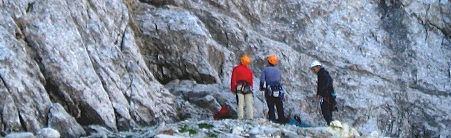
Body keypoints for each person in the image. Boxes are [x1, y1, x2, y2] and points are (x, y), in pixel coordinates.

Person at [259, 55, 287, 123]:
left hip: (270, 88)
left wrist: (262, 87)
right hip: (278, 88)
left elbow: (262, 80)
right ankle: (281, 118)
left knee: (270, 104)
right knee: (279, 104)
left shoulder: (265, 69)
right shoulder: (278, 70)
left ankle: (272, 118)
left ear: (268, 61)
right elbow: (280, 79)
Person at [311, 60, 337, 126]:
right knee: (328, 112)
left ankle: (331, 125)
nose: (313, 71)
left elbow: (321, 85)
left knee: (326, 111)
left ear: (317, 67)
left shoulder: (321, 74)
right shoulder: (325, 73)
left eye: (314, 69)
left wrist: (319, 94)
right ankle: (331, 124)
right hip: (330, 95)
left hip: (326, 96)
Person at [230, 55, 254, 119]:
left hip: (240, 86)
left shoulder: (236, 68)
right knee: (249, 103)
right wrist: (251, 87)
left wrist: (233, 88)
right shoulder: (249, 70)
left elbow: (233, 79)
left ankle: (240, 117)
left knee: (240, 103)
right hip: (248, 87)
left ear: (241, 61)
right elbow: (251, 81)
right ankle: (250, 117)